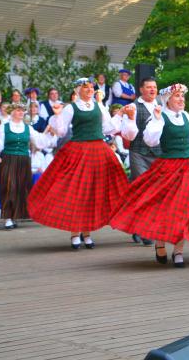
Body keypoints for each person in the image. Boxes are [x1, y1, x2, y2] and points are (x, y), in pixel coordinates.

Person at [111, 84, 189, 268]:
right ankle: (160, 244)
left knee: (185, 209)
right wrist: (158, 120)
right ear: (169, 99)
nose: (181, 99)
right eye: (177, 96)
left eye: (182, 96)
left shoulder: (185, 117)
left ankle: (178, 251)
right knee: (165, 208)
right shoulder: (159, 116)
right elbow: (150, 140)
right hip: (167, 167)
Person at [27, 78, 133, 248]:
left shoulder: (99, 106)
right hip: (79, 152)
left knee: (93, 193)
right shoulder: (71, 107)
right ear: (78, 91)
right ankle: (75, 232)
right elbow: (61, 131)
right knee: (77, 192)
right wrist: (56, 115)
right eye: (86, 88)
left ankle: (87, 232)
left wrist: (120, 115)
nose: (90, 90)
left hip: (98, 151)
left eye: (91, 87)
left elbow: (108, 128)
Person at [0, 102, 56, 229]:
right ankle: (8, 217)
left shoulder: (28, 128)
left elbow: (39, 142)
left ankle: (15, 215)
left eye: (22, 110)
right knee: (9, 187)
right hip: (8, 159)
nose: (21, 112)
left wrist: (49, 133)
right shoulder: (4, 127)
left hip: (23, 160)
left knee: (20, 188)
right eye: (18, 110)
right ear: (12, 112)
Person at [123, 77, 161, 245]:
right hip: (139, 152)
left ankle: (141, 226)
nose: (152, 90)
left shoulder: (162, 107)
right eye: (148, 87)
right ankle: (144, 230)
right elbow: (128, 135)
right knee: (144, 190)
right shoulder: (133, 107)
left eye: (154, 87)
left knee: (157, 191)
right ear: (141, 90)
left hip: (159, 154)